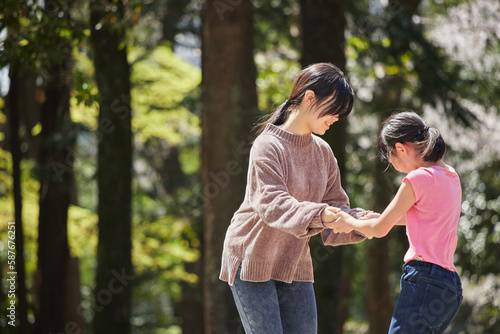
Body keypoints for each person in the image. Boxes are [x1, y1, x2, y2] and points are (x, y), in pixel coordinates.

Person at [219, 63, 372, 334]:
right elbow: (272, 204)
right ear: (310, 97)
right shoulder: (267, 146)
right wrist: (321, 215)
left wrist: (366, 223)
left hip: (294, 263)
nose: (337, 117)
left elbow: (336, 209)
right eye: (334, 109)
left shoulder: (323, 152)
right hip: (251, 257)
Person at [329, 111, 463, 334]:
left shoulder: (417, 178)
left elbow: (379, 230)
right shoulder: (450, 175)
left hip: (423, 279)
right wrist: (378, 218)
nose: (395, 166)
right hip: (449, 287)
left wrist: (348, 221)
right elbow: (422, 216)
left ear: (401, 148)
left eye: (392, 159)